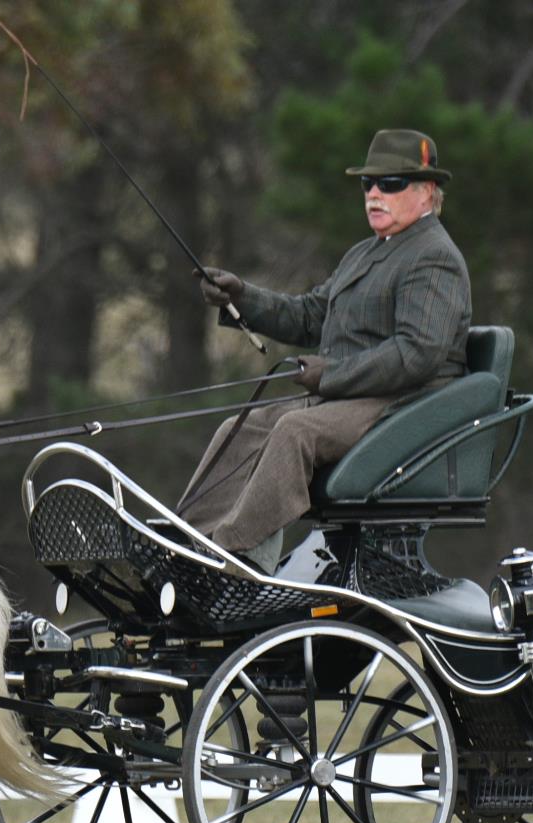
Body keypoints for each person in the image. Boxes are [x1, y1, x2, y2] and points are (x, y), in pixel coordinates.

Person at [177, 128, 472, 573]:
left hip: (404, 405)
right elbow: (310, 315)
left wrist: (330, 375)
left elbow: (418, 355)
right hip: (353, 397)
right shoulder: (365, 253)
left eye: (390, 183)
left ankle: (233, 563)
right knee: (242, 428)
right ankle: (183, 543)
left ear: (427, 191)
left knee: (295, 431)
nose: (374, 193)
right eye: (367, 183)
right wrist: (242, 298)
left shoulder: (434, 257)